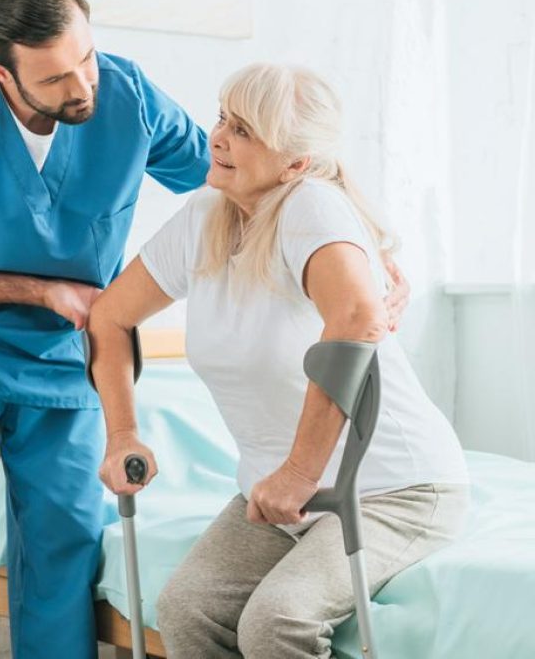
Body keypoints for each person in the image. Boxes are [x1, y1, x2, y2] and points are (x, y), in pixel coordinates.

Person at [87, 63, 469, 659]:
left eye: (244, 130)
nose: (217, 138)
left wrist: (298, 472)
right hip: (276, 497)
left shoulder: (311, 206)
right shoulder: (204, 217)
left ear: (294, 164)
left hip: (395, 488)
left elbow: (358, 318)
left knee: (276, 621)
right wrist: (123, 435)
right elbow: (110, 317)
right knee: (187, 608)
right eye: (222, 118)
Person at [0, 0, 210, 659]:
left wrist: (353, 234)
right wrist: (40, 291)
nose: (83, 85)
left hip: (66, 362)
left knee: (65, 548)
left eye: (85, 58)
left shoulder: (128, 95)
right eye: (56, 77)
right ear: (1, 73)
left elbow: (228, 176)